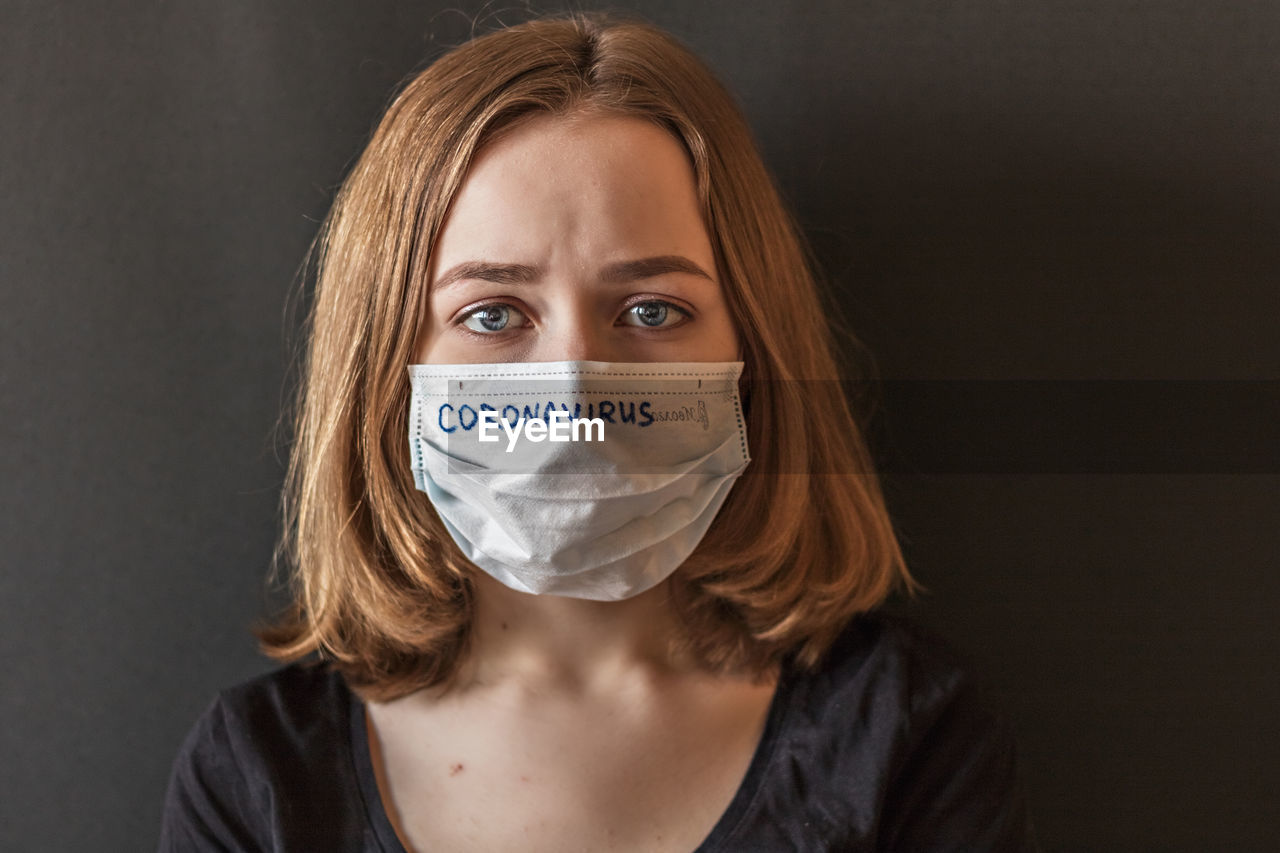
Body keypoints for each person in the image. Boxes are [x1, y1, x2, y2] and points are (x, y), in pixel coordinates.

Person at [159, 12, 1039, 852]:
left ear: (752, 348)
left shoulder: (909, 738)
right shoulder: (259, 777)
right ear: (387, 366)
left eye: (652, 309)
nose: (574, 390)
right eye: (495, 312)